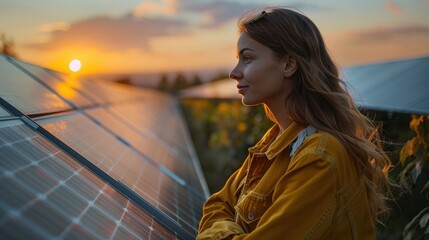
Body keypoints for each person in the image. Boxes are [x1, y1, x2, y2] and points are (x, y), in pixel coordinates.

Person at [197, 7, 392, 240]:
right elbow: (216, 205)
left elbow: (220, 213)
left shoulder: (319, 157)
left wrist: (222, 228)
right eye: (238, 60)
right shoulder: (275, 141)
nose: (234, 72)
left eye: (247, 59)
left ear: (289, 65)